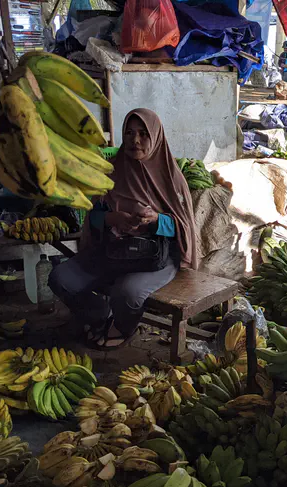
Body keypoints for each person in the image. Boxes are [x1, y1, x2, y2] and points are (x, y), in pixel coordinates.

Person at [49, 109, 197, 349]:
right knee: (61, 278)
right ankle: (102, 316)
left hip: (155, 257)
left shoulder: (171, 177)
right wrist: (111, 219)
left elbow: (183, 227)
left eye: (143, 134)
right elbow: (93, 218)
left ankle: (124, 328)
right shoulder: (111, 170)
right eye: (129, 133)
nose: (134, 140)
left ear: (156, 137)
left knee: (127, 292)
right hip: (113, 251)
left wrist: (156, 220)